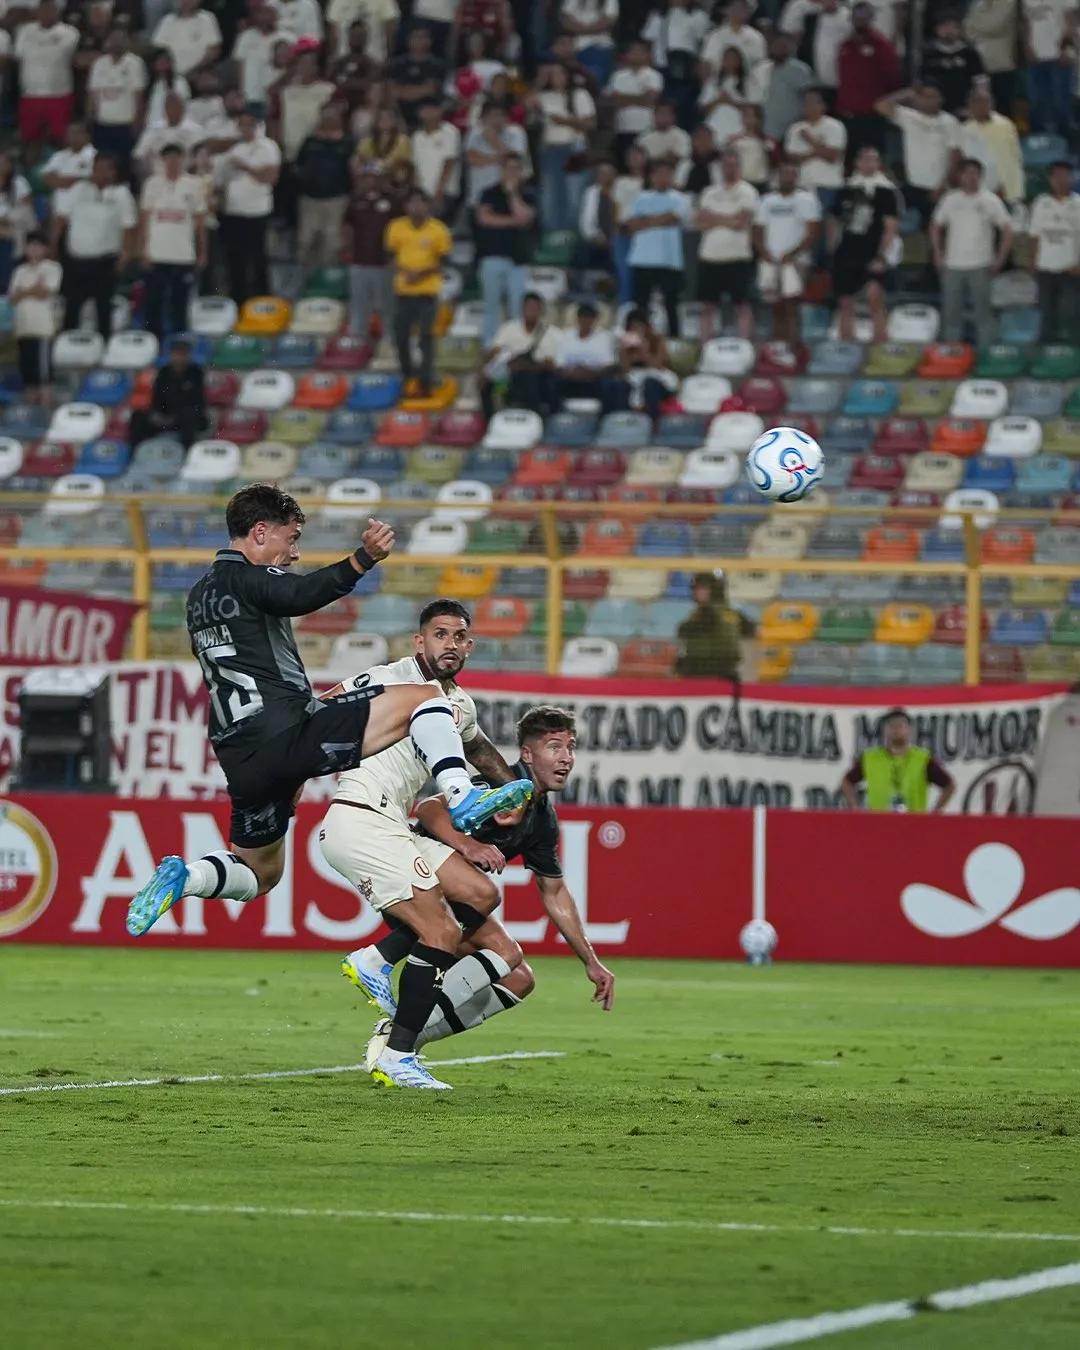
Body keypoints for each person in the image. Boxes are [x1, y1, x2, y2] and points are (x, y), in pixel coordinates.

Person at [125, 490, 534, 1086]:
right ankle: (461, 795)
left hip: (240, 754)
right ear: (259, 533)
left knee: (259, 874)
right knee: (427, 697)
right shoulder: (244, 576)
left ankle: (186, 878)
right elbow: (301, 595)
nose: (293, 552)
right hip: (284, 731)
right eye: (291, 539)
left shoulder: (198, 596)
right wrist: (363, 559)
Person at [317, 598, 524, 1090]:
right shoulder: (390, 678)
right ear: (420, 641)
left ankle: (375, 959)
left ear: (469, 646)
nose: (449, 644)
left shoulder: (460, 704)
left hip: (393, 824)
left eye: (459, 636)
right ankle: (397, 1056)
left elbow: (477, 747)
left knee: (480, 894)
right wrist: (287, 773)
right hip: (361, 817)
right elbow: (321, 708)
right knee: (441, 932)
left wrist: (518, 791)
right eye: (439, 634)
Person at [346, 704, 615, 1080]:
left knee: (519, 979)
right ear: (527, 754)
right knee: (504, 945)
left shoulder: (541, 817)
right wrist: (468, 846)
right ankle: (400, 1036)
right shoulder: (502, 784)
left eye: (570, 747)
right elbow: (429, 810)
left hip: (456, 905)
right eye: (554, 747)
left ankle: (404, 1037)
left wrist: (591, 961)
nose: (566, 758)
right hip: (416, 880)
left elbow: (554, 893)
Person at [930, 156, 1013, 346]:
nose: (970, 177)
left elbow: (1007, 230)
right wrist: (937, 253)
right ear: (959, 176)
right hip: (952, 265)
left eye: (975, 173)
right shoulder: (950, 199)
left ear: (981, 176)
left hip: (981, 265)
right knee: (951, 312)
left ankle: (985, 353)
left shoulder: (991, 200)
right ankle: (952, 353)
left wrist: (1000, 257)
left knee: (983, 313)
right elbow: (935, 226)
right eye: (966, 173)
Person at [54, 153, 136, 337]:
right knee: (72, 306)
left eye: (107, 168)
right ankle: (67, 344)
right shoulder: (78, 189)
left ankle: (103, 344)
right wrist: (54, 247)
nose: (102, 172)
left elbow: (129, 228)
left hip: (104, 261)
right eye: (98, 168)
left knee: (103, 308)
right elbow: (61, 220)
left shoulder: (121, 194)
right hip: (75, 260)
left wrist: (126, 256)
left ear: (114, 171)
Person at [828, 145, 900, 342]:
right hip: (847, 250)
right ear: (857, 163)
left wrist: (881, 255)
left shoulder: (886, 191)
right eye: (865, 159)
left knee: (874, 296)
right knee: (845, 301)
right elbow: (834, 217)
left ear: (879, 163)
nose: (869, 164)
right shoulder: (847, 188)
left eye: (873, 160)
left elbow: (891, 226)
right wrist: (833, 245)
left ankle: (880, 342)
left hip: (872, 250)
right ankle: (847, 345)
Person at [385, 186, 451, 395]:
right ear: (406, 206)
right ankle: (407, 375)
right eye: (412, 203)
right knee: (401, 337)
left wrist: (420, 274)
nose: (416, 207)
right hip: (403, 292)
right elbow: (389, 257)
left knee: (426, 337)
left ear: (427, 206)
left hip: (427, 292)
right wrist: (406, 272)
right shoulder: (395, 227)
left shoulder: (438, 229)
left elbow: (443, 261)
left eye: (421, 202)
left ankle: (426, 380)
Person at [138, 141, 207, 340]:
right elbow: (144, 220)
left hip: (183, 254)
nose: (173, 162)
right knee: (153, 301)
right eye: (169, 158)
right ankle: (152, 341)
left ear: (182, 160)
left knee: (180, 302)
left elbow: (200, 223)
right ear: (162, 160)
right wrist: (143, 250)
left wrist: (202, 252)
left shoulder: (194, 185)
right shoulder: (152, 184)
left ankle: (179, 343)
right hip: (156, 253)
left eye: (176, 158)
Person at [752, 156, 822, 343]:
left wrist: (792, 254)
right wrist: (765, 253)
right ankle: (778, 344)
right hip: (770, 259)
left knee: (792, 303)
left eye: (791, 173)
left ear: (797, 176)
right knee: (774, 304)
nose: (787, 177)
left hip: (796, 260)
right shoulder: (767, 200)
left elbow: (813, 232)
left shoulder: (807, 200)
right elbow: (757, 231)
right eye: (784, 173)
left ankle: (794, 344)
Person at [874, 81, 960, 226]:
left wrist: (943, 185)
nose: (928, 101)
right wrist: (906, 93)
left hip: (938, 186)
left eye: (933, 97)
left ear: (940, 99)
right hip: (913, 184)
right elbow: (880, 105)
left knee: (936, 227)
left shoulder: (950, 122)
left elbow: (956, 156)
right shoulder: (908, 116)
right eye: (924, 96)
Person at [218, 109, 281, 307]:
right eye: (242, 124)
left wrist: (245, 166)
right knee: (235, 259)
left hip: (256, 211)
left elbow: (270, 177)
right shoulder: (233, 149)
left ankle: (262, 298)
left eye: (249, 124)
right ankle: (237, 300)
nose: (245, 128)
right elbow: (222, 180)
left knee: (257, 258)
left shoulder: (267, 147)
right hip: (233, 211)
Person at [624, 156, 691, 337]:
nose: (662, 178)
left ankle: (674, 340)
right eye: (658, 174)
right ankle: (640, 339)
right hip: (642, 258)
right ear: (651, 177)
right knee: (641, 305)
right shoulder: (640, 198)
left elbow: (674, 218)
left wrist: (646, 221)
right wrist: (661, 219)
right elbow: (631, 225)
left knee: (671, 304)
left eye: (666, 174)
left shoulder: (681, 199)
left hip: (669, 260)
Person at [696, 146, 759, 339]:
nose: (729, 169)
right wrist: (728, 218)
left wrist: (714, 218)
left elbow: (740, 222)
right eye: (726, 165)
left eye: (733, 165)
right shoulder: (709, 192)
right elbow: (701, 222)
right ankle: (705, 344)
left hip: (737, 256)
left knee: (742, 306)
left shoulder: (748, 192)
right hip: (710, 256)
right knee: (707, 306)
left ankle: (744, 344)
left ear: (739, 167)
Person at [474, 152, 537, 346]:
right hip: (492, 256)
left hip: (519, 259)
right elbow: (485, 219)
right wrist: (513, 221)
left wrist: (512, 195)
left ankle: (516, 346)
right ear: (500, 170)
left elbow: (526, 217)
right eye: (508, 168)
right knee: (491, 307)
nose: (512, 172)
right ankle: (490, 347)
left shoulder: (528, 194)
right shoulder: (488, 193)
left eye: (516, 169)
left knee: (518, 308)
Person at [842, 707, 955, 812]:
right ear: (886, 730)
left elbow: (949, 785)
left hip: (914, 824)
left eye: (900, 725)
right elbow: (847, 782)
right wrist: (855, 808)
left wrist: (935, 813)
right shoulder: (870, 758)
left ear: (909, 729)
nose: (896, 730)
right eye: (892, 726)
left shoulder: (923, 759)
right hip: (878, 823)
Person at [533, 60, 595, 233]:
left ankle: (573, 235)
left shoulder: (579, 95)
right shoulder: (544, 96)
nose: (557, 77)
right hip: (550, 149)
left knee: (574, 194)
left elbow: (590, 124)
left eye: (560, 73)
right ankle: (552, 235)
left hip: (574, 148)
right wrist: (539, 81)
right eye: (552, 74)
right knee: (549, 195)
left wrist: (565, 121)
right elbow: (526, 105)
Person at [479, 289, 559, 419]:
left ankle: (537, 418)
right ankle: (490, 420)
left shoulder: (553, 334)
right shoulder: (509, 328)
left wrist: (527, 366)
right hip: (509, 373)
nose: (531, 311)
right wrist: (485, 369)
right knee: (486, 383)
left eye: (534, 308)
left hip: (537, 374)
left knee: (532, 379)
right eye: (528, 307)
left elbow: (552, 363)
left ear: (541, 310)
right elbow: (495, 351)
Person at [836, 1, 900, 160]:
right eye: (857, 15)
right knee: (850, 158)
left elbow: (893, 78)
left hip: (872, 113)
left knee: (873, 158)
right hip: (848, 112)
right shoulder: (845, 46)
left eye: (864, 15)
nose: (860, 19)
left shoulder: (882, 45)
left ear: (871, 18)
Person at [15, 0, 81, 152]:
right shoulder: (24, 31)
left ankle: (64, 162)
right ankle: (29, 167)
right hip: (30, 94)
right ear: (37, 12)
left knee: (61, 137)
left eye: (50, 10)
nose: (46, 13)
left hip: (59, 94)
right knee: (29, 139)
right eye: (43, 10)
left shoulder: (70, 32)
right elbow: (19, 57)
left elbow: (70, 58)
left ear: (57, 11)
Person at [295, 104, 354, 277]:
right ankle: (307, 278)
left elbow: (353, 170)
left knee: (331, 242)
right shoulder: (310, 142)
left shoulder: (347, 143)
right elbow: (299, 165)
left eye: (332, 117)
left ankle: (328, 280)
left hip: (336, 199)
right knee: (306, 240)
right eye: (325, 117)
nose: (328, 120)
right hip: (309, 199)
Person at [346, 167, 402, 338]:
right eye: (367, 177)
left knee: (387, 305)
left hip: (384, 262)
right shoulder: (356, 201)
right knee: (359, 305)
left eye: (374, 177)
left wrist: (396, 256)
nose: (370, 181)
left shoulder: (393, 201)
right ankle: (357, 338)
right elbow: (347, 225)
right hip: (359, 261)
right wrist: (347, 248)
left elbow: (401, 229)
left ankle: (389, 339)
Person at [1028, 159, 1080, 342]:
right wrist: (1032, 262)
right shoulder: (1040, 203)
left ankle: (1074, 351)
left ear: (1072, 178)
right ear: (1050, 179)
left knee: (1072, 313)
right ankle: (1046, 351)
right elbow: (1034, 236)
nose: (1060, 180)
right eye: (1056, 176)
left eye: (1065, 175)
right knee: (1046, 312)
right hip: (1045, 267)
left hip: (1071, 268)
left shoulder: (1078, 204)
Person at [8, 232, 61, 406]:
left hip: (42, 330)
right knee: (28, 376)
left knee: (44, 376)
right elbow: (12, 298)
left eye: (38, 246)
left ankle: (45, 410)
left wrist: (24, 291)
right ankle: (30, 413)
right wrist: (33, 288)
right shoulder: (20, 271)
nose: (34, 249)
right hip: (23, 329)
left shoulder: (52, 268)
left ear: (45, 249)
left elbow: (45, 292)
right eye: (31, 245)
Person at [128, 335, 208, 446]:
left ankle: (186, 450)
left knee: (189, 416)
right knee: (137, 416)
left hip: (185, 417)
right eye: (176, 354)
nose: (179, 358)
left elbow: (198, 403)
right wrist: (158, 416)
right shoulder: (163, 373)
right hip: (164, 416)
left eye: (182, 354)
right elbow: (156, 399)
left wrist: (176, 417)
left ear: (188, 355)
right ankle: (135, 449)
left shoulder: (196, 374)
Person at [87, 27, 147, 171]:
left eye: (120, 39)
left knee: (124, 165)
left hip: (125, 124)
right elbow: (92, 94)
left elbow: (138, 95)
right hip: (103, 124)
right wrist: (90, 119)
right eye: (113, 40)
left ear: (127, 42)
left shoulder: (135, 63)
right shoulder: (99, 64)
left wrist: (137, 123)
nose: (116, 43)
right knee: (103, 162)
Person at [675, 571, 753, 680]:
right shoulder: (730, 611)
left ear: (713, 590)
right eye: (696, 589)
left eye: (703, 589)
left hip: (707, 669)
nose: (698, 593)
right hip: (726, 670)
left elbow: (685, 631)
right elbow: (749, 629)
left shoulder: (707, 612)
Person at [956, 83, 1024, 206]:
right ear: (969, 106)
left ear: (992, 104)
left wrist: (1005, 184)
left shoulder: (1005, 125)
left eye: (984, 102)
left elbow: (1014, 158)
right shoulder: (964, 130)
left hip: (1007, 189)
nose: (981, 106)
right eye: (976, 102)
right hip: (979, 191)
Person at [606, 37, 663, 169]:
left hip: (646, 128)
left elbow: (650, 99)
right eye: (633, 51)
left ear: (647, 55)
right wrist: (639, 98)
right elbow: (615, 101)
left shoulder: (654, 75)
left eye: (639, 51)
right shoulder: (618, 76)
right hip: (622, 128)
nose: (636, 55)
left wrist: (625, 98)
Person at [1023, 0, 1077, 138]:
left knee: (1060, 102)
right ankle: (1040, 140)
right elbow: (1027, 22)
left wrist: (1066, 50)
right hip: (1036, 57)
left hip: (1059, 56)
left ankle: (1064, 140)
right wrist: (1027, 46)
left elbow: (1072, 21)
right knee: (1036, 101)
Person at [553, 300, 620, 410]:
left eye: (590, 317)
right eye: (584, 317)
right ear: (578, 318)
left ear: (595, 319)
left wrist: (590, 372)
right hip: (571, 378)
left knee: (610, 386)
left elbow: (609, 366)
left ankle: (606, 417)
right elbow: (559, 364)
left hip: (595, 378)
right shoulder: (566, 336)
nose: (586, 320)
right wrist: (572, 373)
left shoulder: (604, 337)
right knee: (553, 383)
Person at [784, 87, 846, 206]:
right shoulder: (795, 128)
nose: (809, 106)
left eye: (813, 102)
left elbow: (832, 156)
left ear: (823, 105)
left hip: (827, 184)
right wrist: (818, 151)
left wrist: (810, 140)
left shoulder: (835, 126)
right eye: (806, 103)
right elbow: (793, 159)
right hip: (802, 184)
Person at [750, 32, 813, 142]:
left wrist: (802, 120)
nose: (778, 49)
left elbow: (807, 97)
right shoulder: (763, 69)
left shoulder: (800, 70)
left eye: (783, 46)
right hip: (769, 126)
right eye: (776, 45)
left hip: (794, 124)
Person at [920, 13, 984, 116]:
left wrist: (975, 107)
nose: (949, 30)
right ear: (937, 29)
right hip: (933, 110)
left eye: (953, 26)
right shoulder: (927, 53)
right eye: (945, 26)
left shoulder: (969, 53)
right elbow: (920, 83)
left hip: (964, 109)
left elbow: (981, 82)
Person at [618, 307, 678, 417]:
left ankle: (654, 418)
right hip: (636, 379)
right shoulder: (626, 344)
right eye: (632, 327)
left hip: (658, 379)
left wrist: (643, 350)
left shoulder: (658, 340)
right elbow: (625, 369)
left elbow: (658, 364)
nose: (635, 329)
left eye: (638, 326)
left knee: (650, 384)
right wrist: (624, 351)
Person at [386, 23, 445, 131]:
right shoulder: (397, 64)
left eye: (422, 37)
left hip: (427, 115)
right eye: (416, 37)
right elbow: (393, 92)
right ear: (408, 40)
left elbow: (432, 90)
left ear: (429, 41)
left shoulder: (437, 65)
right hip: (399, 114)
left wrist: (403, 90)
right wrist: (421, 90)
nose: (419, 41)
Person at [411, 96, 461, 222]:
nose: (428, 113)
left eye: (432, 109)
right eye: (424, 109)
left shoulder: (450, 132)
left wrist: (439, 193)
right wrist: (417, 194)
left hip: (445, 192)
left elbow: (449, 162)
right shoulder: (417, 136)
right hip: (423, 194)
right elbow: (416, 166)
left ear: (440, 111)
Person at [965, 0, 1018, 115]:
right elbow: (966, 29)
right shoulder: (978, 2)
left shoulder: (1007, 2)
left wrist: (975, 25)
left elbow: (994, 25)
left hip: (1000, 64)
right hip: (978, 65)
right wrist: (977, 26)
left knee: (1002, 109)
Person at [152, 0, 222, 80]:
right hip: (169, 78)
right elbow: (156, 50)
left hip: (198, 76)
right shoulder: (166, 21)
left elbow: (214, 52)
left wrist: (193, 72)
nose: (186, 1)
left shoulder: (207, 19)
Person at [702, 0, 767, 77]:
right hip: (719, 79)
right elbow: (707, 63)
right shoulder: (715, 36)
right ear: (727, 11)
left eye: (741, 9)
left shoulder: (756, 37)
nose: (737, 12)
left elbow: (760, 65)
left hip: (747, 80)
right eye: (734, 8)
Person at [636, 98, 691, 169]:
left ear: (673, 117)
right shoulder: (643, 138)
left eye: (667, 114)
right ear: (654, 116)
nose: (664, 117)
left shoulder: (682, 136)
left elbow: (683, 158)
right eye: (661, 113)